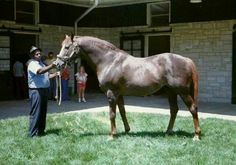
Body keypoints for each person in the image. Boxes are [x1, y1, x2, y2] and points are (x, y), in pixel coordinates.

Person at [27, 46, 57, 137]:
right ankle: (31, 134)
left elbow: (48, 76)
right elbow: (40, 71)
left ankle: (41, 131)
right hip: (36, 91)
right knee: (36, 112)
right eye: (36, 54)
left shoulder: (42, 64)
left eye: (40, 53)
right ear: (32, 55)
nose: (39, 55)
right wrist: (52, 65)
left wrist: (57, 74)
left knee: (43, 111)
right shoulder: (32, 64)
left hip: (44, 90)